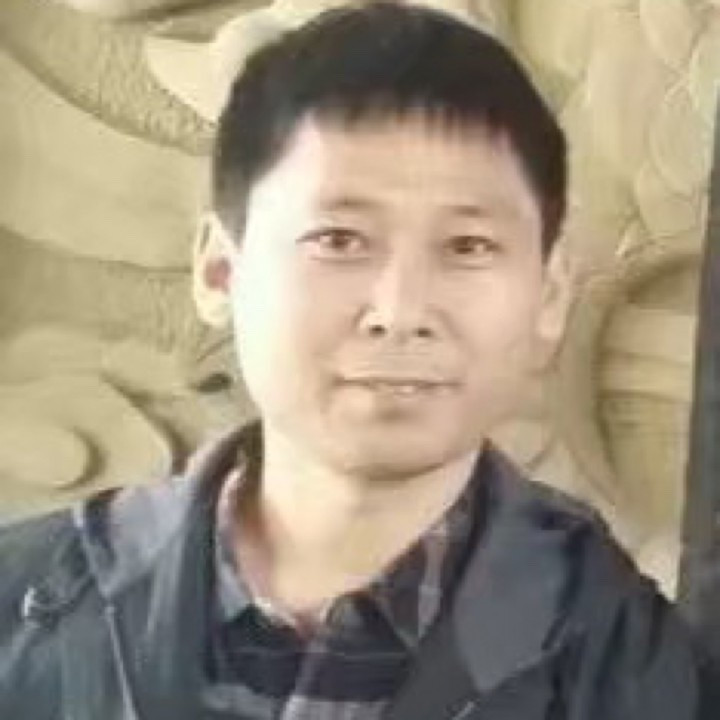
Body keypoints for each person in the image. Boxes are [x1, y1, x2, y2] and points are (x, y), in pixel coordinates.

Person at [0, 3, 699, 718]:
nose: (400, 310)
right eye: (339, 239)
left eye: (468, 246)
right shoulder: (26, 613)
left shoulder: (637, 670)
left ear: (549, 294)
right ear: (219, 271)